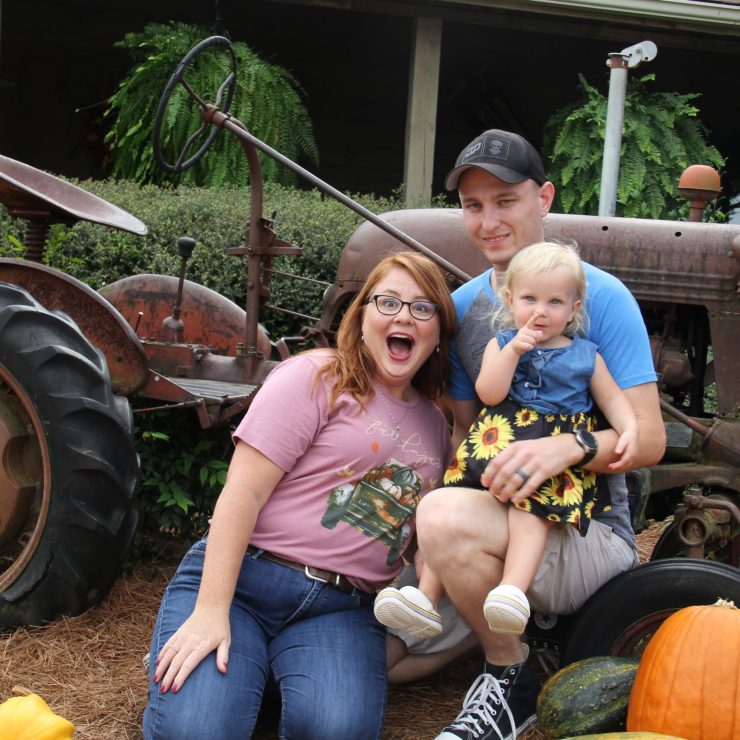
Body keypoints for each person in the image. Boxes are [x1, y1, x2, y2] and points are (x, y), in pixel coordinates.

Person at [390, 129, 666, 739]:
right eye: (472, 205)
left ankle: (510, 676)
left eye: (505, 200)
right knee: (382, 659)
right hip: (496, 514)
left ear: (544, 198)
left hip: (586, 530)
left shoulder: (600, 300)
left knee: (441, 520)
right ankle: (518, 626)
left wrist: (566, 446)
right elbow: (468, 430)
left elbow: (648, 440)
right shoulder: (464, 311)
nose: (488, 221)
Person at [141, 251, 455, 740]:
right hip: (247, 580)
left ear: (438, 332)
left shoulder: (438, 430)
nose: (403, 316)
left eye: (422, 308)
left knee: (337, 731)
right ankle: (219, 661)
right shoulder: (318, 375)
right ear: (363, 316)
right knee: (198, 731)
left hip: (342, 610)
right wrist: (210, 611)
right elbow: (242, 492)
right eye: (388, 301)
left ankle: (259, 675)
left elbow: (425, 541)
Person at [373, 241, 639, 640]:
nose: (540, 311)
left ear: (574, 309)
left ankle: (512, 589)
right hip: (495, 442)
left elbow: (613, 399)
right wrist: (513, 349)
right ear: (510, 299)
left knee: (526, 508)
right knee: (438, 504)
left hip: (549, 455)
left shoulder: (587, 355)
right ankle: (425, 596)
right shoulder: (503, 343)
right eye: (530, 299)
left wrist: (628, 428)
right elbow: (490, 393)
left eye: (554, 302)